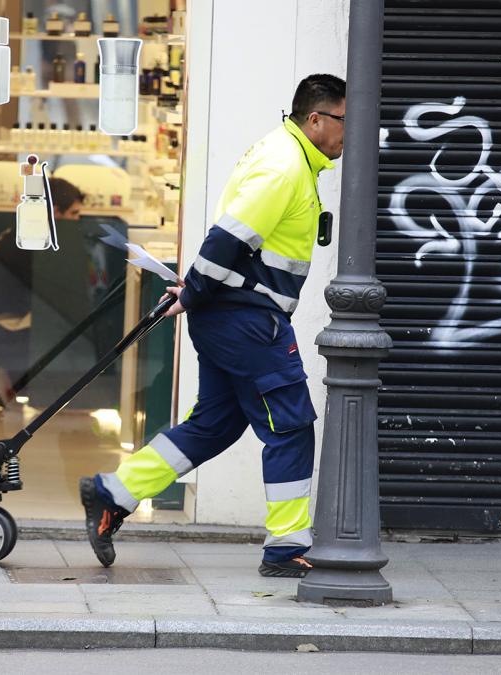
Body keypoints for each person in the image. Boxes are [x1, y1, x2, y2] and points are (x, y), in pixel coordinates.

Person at [79, 74, 347, 578]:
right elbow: (228, 239)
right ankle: (288, 548)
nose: (345, 135)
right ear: (316, 119)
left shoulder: (285, 155)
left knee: (215, 425)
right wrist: (197, 292)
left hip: (232, 316)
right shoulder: (285, 165)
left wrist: (199, 294)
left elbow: (240, 243)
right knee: (290, 425)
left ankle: (113, 492)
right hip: (248, 320)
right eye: (342, 122)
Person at [0, 178, 86, 405]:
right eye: (74, 214)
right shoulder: (36, 243)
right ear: (55, 212)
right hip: (4, 325)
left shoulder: (25, 231)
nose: (77, 220)